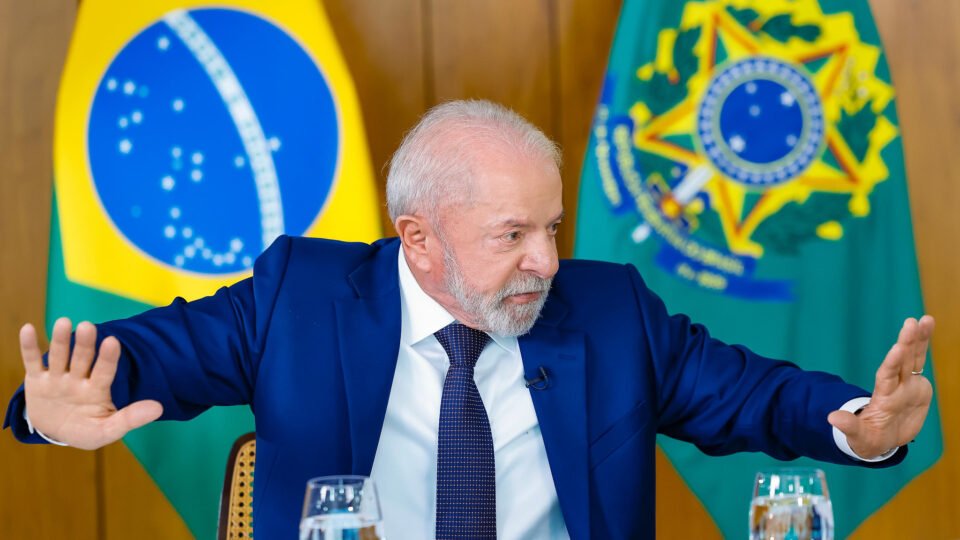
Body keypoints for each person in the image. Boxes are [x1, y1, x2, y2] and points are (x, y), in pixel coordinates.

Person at [5, 100, 934, 539]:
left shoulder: (609, 310)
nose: (547, 261)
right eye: (512, 235)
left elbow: (754, 395)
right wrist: (55, 409)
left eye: (552, 227)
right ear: (418, 238)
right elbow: (141, 360)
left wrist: (858, 425)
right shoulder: (300, 298)